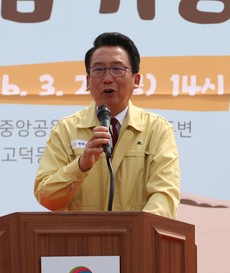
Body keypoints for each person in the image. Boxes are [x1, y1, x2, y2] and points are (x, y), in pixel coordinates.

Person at [33, 32, 180, 218]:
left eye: (117, 69)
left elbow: (164, 196)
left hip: (136, 237)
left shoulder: (157, 129)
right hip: (81, 237)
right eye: (99, 70)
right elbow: (46, 196)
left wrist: (134, 231)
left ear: (136, 80)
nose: (108, 78)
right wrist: (81, 166)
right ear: (88, 81)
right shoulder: (67, 129)